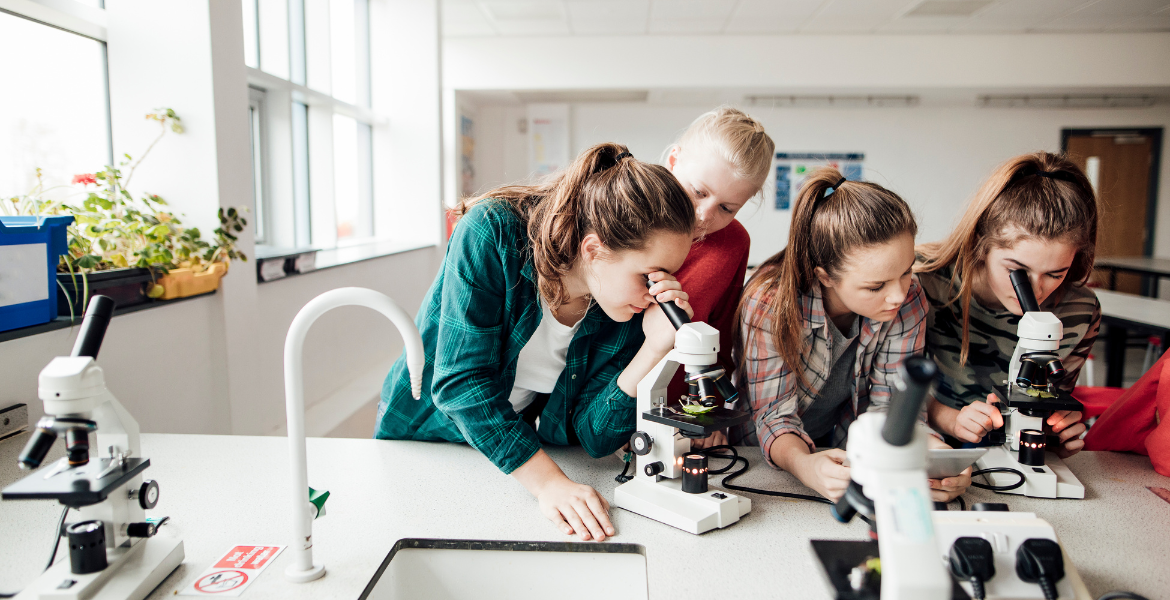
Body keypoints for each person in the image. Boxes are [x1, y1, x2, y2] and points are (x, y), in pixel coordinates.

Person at [376, 143, 696, 542]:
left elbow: (593, 437)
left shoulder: (624, 303)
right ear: (594, 249)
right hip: (427, 437)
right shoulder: (492, 232)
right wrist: (548, 484)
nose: (657, 294)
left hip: (513, 454)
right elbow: (459, 383)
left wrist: (653, 349)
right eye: (650, 276)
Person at [736, 167, 970, 502]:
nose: (898, 295)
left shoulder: (910, 299)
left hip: (846, 447)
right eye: (875, 286)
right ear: (825, 276)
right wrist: (804, 465)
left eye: (906, 273)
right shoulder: (770, 303)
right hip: (761, 460)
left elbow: (892, 405)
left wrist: (935, 456)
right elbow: (773, 416)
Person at [917, 152, 1100, 456]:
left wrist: (1060, 432)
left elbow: (1051, 400)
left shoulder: (1079, 311)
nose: (1036, 290)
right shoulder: (924, 282)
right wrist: (949, 419)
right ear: (980, 243)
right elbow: (885, 388)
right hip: (932, 446)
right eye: (1017, 271)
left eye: (1056, 273)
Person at [663, 107, 775, 447]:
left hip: (681, 416)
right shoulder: (626, 215)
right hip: (601, 414)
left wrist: (705, 416)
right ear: (673, 160)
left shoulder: (733, 244)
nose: (704, 215)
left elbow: (720, 342)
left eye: (727, 208)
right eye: (699, 192)